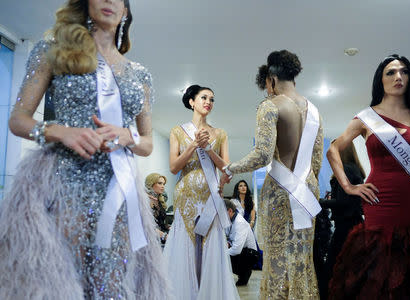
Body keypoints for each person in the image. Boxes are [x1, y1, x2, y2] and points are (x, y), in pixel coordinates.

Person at [0, 0, 170, 298]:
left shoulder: (140, 74)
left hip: (118, 189)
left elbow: (147, 143)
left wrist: (127, 136)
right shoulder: (52, 51)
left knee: (110, 279)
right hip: (63, 183)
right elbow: (18, 119)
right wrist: (59, 131)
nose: (109, 1)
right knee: (59, 276)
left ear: (126, 11)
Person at [327, 54, 410, 299]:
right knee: (378, 271)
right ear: (380, 80)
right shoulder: (365, 118)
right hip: (379, 201)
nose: (398, 77)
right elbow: (333, 149)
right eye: (391, 72)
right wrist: (349, 186)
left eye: (404, 72)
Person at [220, 50, 323, 299]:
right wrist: (305, 184)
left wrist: (230, 168)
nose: (267, 91)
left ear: (271, 80)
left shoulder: (270, 105)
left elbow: (263, 155)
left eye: (266, 85)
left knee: (278, 257)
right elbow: (316, 159)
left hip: (280, 190)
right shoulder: (315, 111)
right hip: (307, 190)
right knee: (301, 258)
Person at [164, 85, 239, 299]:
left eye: (212, 99)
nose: (209, 102)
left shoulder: (220, 134)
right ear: (191, 102)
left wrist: (207, 149)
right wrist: (194, 145)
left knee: (210, 246)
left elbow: (227, 169)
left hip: (211, 197)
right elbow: (173, 167)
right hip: (186, 195)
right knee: (185, 245)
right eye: (204, 97)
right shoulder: (177, 131)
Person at [319, 143, 365, 298]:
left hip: (346, 226)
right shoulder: (354, 169)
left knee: (332, 267)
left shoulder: (345, 169)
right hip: (353, 224)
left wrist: (319, 201)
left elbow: (342, 202)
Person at [224, 199, 258, 286]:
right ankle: (242, 272)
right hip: (242, 251)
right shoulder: (229, 220)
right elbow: (227, 236)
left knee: (223, 256)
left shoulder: (239, 222)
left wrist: (221, 254)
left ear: (230, 211)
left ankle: (244, 272)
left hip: (250, 254)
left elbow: (236, 250)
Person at [145, 173, 170, 243]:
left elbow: (161, 222)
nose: (163, 186)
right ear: (151, 184)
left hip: (162, 235)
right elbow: (147, 227)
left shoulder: (160, 200)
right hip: (151, 239)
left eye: (164, 184)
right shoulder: (145, 200)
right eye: (160, 183)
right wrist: (165, 236)